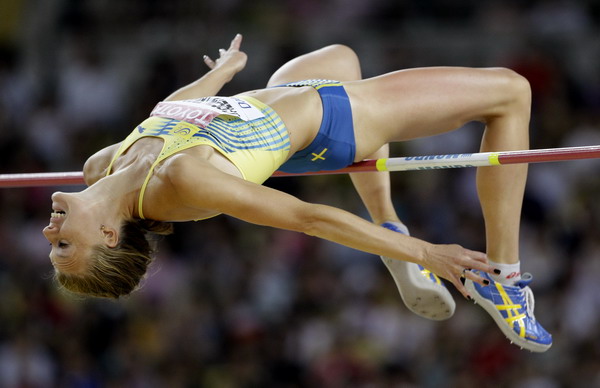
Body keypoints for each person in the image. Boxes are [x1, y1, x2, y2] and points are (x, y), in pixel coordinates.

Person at [42, 34, 551, 352]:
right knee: (511, 91)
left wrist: (220, 73)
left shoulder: (100, 165)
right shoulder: (178, 183)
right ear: (109, 236)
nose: (49, 231)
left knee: (341, 55)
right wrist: (427, 253)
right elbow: (309, 218)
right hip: (336, 121)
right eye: (64, 244)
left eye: (52, 243)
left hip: (283, 101)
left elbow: (165, 116)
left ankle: (389, 220)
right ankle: (502, 278)